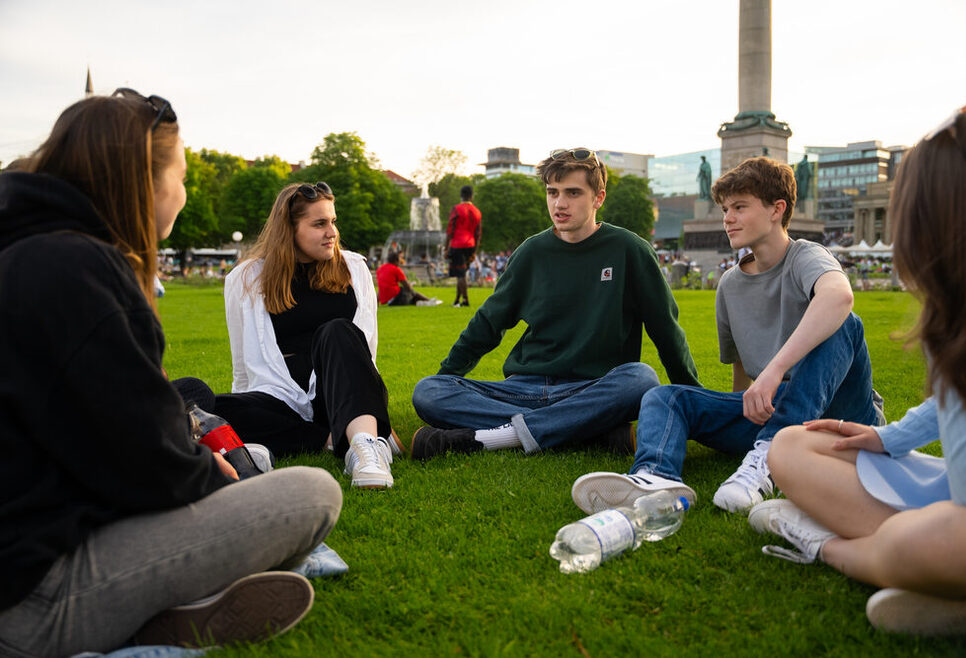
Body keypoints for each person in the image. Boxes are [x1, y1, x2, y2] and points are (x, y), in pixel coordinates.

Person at [0, 90, 340, 655]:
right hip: (30, 597)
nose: (183, 193)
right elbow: (144, 461)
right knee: (313, 495)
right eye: (180, 177)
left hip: (33, 538)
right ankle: (138, 624)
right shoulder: (77, 269)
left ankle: (169, 611)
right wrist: (206, 474)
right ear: (144, 183)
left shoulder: (27, 251)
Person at [746, 99, 966, 636]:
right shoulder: (961, 311)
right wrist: (888, 439)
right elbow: (961, 396)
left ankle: (831, 546)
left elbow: (837, 301)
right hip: (956, 501)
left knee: (927, 541)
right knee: (792, 444)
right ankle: (947, 578)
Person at [570, 156, 883, 515]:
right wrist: (744, 411)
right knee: (665, 397)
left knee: (845, 321)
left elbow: (839, 296)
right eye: (724, 209)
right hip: (778, 409)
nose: (728, 218)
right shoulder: (730, 285)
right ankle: (655, 480)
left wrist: (774, 370)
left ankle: (768, 457)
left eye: (740, 207)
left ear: (776, 210)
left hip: (843, 416)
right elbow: (741, 378)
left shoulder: (805, 257)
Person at [410, 148, 700, 460]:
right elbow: (488, 323)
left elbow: (666, 330)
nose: (560, 203)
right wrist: (447, 377)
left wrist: (695, 401)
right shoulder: (531, 252)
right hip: (523, 389)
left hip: (593, 388)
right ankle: (588, 431)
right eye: (553, 192)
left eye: (573, 193)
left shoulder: (630, 250)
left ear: (598, 198)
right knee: (429, 392)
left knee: (641, 379)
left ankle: (496, 437)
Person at [217, 182, 399, 489]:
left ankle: (367, 447)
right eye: (319, 224)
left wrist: (369, 407)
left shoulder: (353, 269)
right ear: (289, 229)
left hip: (337, 394)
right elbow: (241, 366)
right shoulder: (246, 279)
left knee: (337, 331)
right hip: (281, 397)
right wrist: (243, 407)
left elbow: (367, 351)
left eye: (333, 221)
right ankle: (331, 438)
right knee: (209, 408)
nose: (332, 232)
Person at [446, 184, 481, 307]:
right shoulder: (477, 211)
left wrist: (446, 248)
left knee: (460, 275)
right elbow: (478, 234)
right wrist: (474, 252)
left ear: (461, 195)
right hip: (470, 245)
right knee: (462, 274)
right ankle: (456, 300)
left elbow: (450, 230)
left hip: (457, 244)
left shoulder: (456, 209)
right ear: (472, 196)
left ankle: (465, 300)